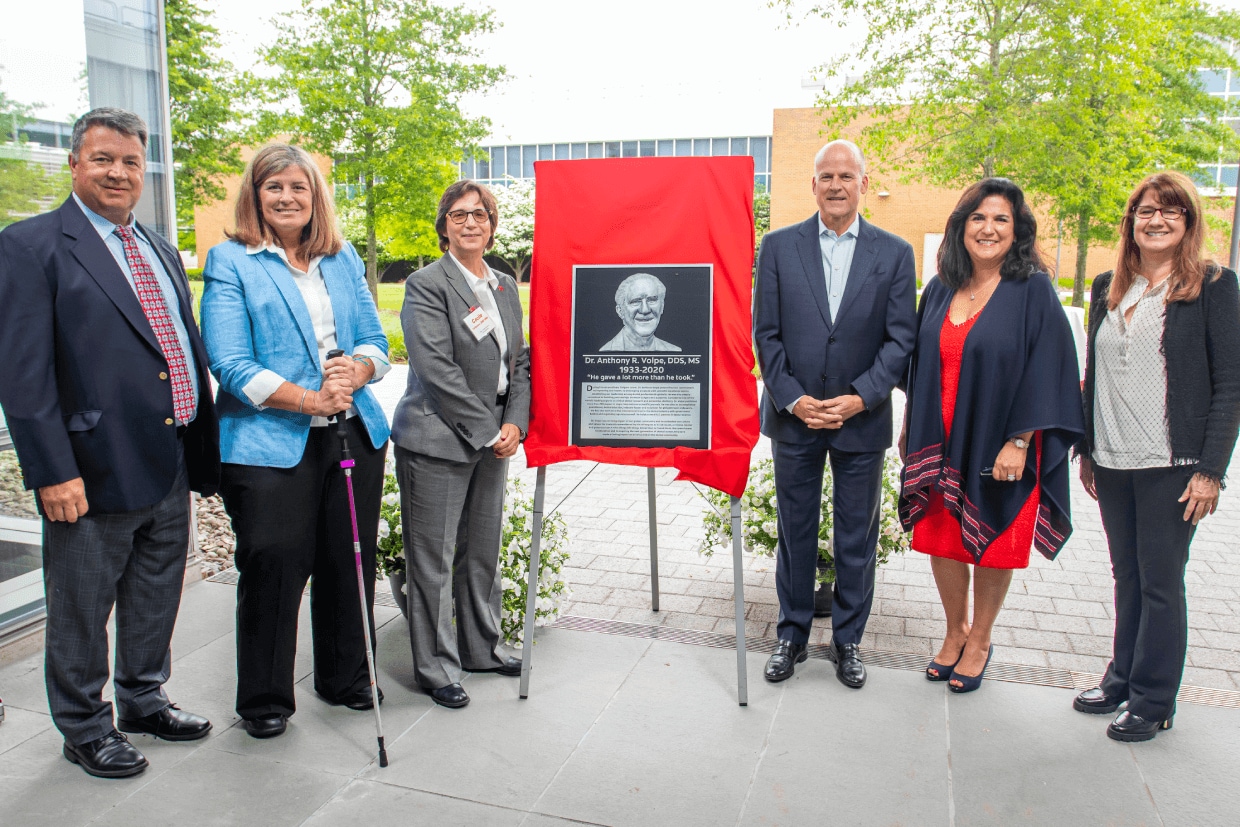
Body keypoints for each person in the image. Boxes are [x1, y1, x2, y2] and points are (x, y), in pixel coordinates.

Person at [0, 108, 220, 778]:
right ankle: (85, 725)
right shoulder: (32, 244)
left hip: (169, 453)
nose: (118, 172)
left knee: (157, 589)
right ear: (74, 164)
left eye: (130, 161)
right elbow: (22, 371)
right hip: (90, 467)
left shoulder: (155, 244)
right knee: (80, 606)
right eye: (103, 159)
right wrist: (50, 470)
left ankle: (143, 698)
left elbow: (171, 342)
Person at [201, 144, 391, 739]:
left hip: (351, 433)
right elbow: (229, 362)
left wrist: (356, 371)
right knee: (274, 562)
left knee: (346, 560)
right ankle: (264, 699)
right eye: (273, 187)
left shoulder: (341, 257)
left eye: (298, 188)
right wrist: (309, 399)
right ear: (255, 195)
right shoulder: (232, 260)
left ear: (316, 197)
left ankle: (345, 677)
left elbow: (376, 340)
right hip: (266, 441)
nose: (286, 197)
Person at [899, 178, 1083, 693]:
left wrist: (1020, 441)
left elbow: (1049, 368)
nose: (988, 228)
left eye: (1001, 219)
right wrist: (913, 427)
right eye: (978, 218)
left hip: (1001, 443)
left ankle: (980, 639)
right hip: (940, 439)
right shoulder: (938, 288)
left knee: (994, 544)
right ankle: (954, 631)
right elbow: (920, 367)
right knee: (942, 537)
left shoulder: (1034, 291)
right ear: (961, 228)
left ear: (1017, 231)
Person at [1074, 172, 1240, 741]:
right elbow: (1096, 375)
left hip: (1174, 463)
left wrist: (1211, 470)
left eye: (1171, 211)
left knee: (1162, 581)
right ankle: (1121, 679)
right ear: (1132, 221)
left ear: (1189, 222)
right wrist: (1088, 451)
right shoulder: (1107, 286)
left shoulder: (1214, 285)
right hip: (1115, 460)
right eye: (1146, 210)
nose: (1157, 220)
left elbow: (1230, 385)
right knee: (1127, 578)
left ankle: (1154, 699)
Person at [753, 139, 917, 688]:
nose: (837, 185)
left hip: (860, 419)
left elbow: (900, 340)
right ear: (814, 184)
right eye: (827, 176)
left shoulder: (894, 253)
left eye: (847, 176)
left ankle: (848, 640)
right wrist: (794, 398)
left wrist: (863, 396)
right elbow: (766, 334)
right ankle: (792, 635)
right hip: (795, 418)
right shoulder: (778, 247)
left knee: (855, 536)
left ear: (864, 184)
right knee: (794, 530)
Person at [391, 180, 531, 709]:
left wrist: (515, 421)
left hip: (493, 439)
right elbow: (435, 368)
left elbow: (518, 360)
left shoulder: (502, 285)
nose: (470, 223)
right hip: (437, 440)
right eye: (458, 214)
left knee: (481, 554)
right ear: (443, 224)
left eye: (480, 215)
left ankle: (482, 649)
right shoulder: (426, 284)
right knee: (433, 559)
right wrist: (489, 429)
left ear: (492, 225)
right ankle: (436, 667)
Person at [599, 272, 682, 351]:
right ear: (620, 311)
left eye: (652, 300)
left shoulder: (674, 351)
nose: (645, 310)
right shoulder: (606, 351)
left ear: (662, 307)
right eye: (635, 301)